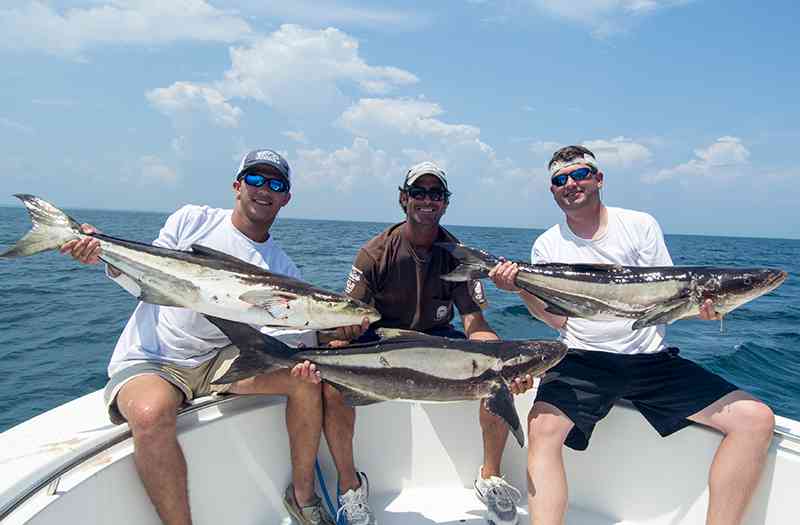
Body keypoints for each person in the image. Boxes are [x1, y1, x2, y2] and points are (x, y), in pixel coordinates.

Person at [489, 145, 775, 525]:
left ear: (598, 179)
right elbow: (559, 323)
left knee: (755, 420)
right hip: (583, 359)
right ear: (553, 191)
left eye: (580, 174)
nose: (571, 184)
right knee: (542, 428)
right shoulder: (547, 245)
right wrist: (520, 287)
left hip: (650, 361)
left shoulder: (640, 225)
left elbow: (666, 300)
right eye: (560, 180)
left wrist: (704, 311)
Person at [61, 149, 336, 525]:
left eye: (276, 184)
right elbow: (148, 278)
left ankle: (303, 498)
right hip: (155, 356)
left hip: (221, 358)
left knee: (306, 384)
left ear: (286, 197)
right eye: (255, 179)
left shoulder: (282, 267)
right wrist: (102, 255)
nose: (264, 189)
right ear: (237, 185)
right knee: (151, 413)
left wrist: (313, 347)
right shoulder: (193, 219)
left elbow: (282, 334)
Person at [323, 161, 534, 525]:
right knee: (331, 387)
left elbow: (473, 320)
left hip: (438, 342)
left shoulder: (458, 254)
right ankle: (350, 486)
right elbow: (346, 319)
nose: (426, 200)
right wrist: (341, 336)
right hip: (382, 341)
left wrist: (494, 352)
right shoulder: (374, 254)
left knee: (496, 377)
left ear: (445, 203)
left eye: (435, 194)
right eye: (418, 192)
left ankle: (490, 476)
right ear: (403, 199)